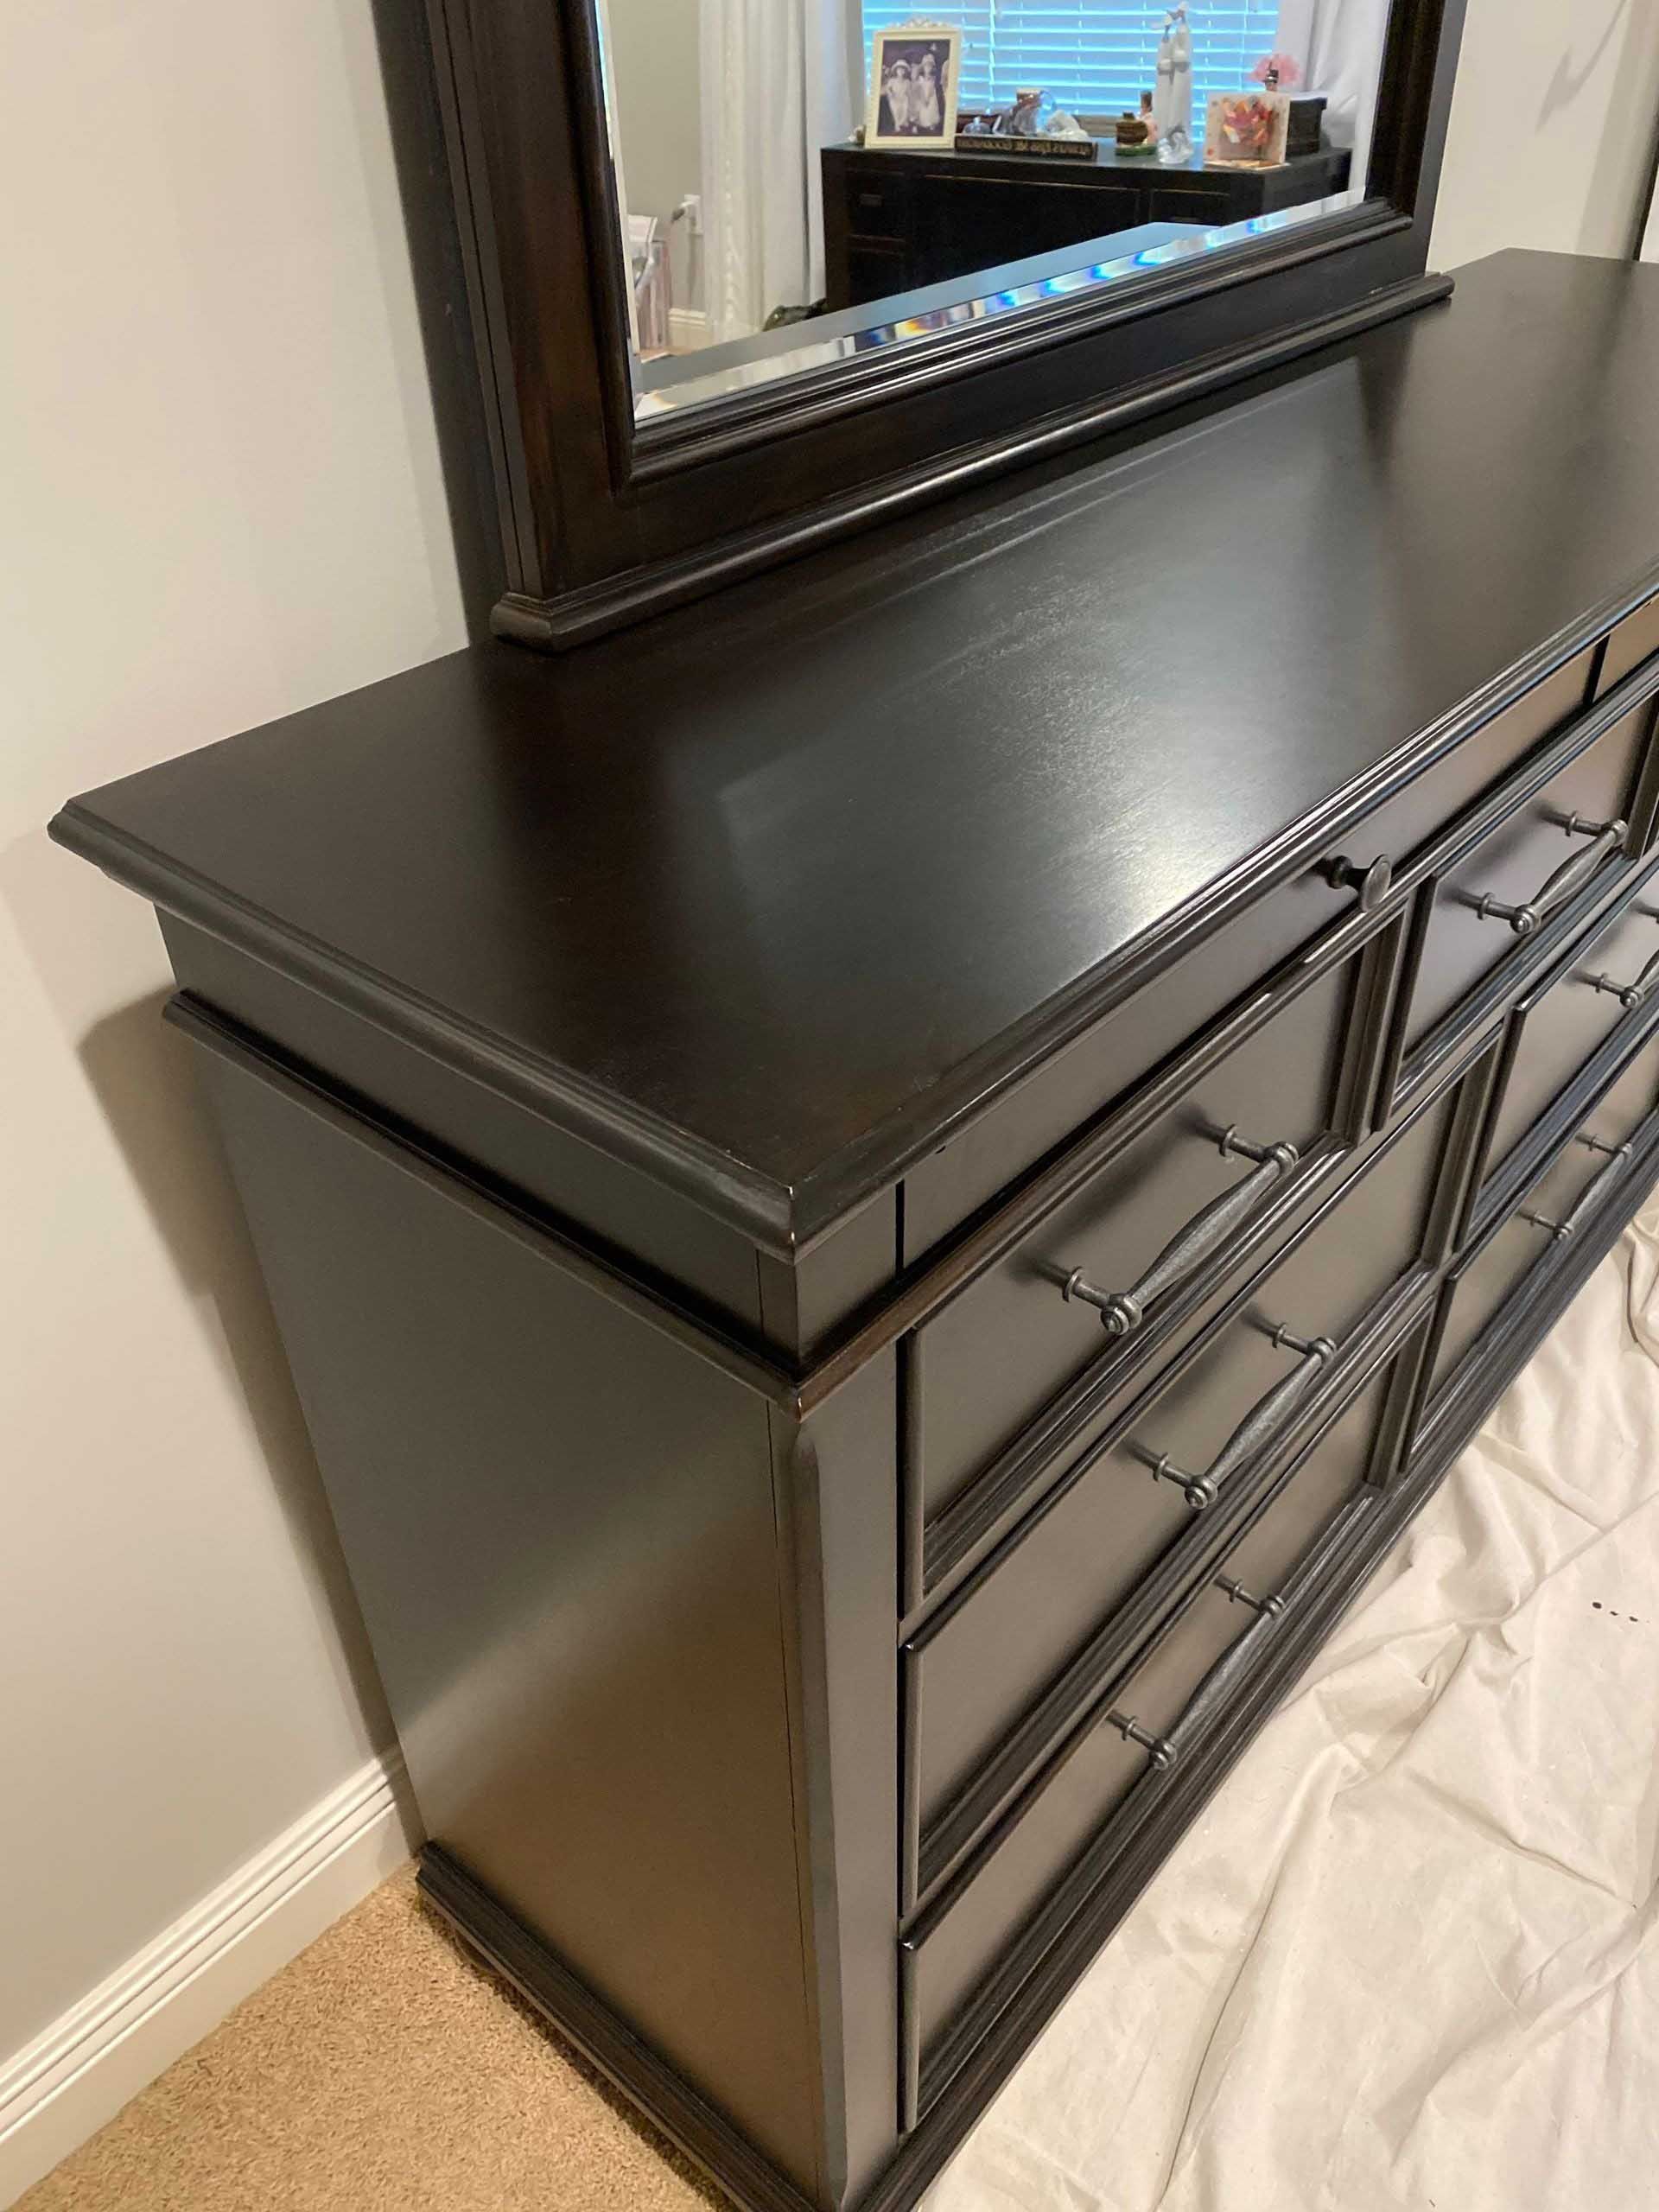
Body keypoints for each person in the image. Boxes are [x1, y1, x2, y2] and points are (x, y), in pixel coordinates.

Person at [911, 48, 944, 134]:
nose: (928, 68)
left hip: (930, 95)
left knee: (932, 103)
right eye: (926, 66)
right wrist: (923, 99)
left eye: (930, 66)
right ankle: (916, 124)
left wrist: (929, 98)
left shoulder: (933, 79)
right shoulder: (920, 79)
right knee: (919, 106)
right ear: (923, 68)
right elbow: (919, 90)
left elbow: (933, 89)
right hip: (922, 95)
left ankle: (931, 122)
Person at [879, 54, 912, 136]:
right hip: (895, 98)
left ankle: (903, 121)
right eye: (899, 70)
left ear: (905, 72)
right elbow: (888, 88)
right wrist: (891, 93)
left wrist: (907, 96)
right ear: (896, 71)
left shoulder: (907, 82)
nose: (901, 72)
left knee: (906, 106)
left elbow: (909, 92)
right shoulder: (892, 80)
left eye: (903, 70)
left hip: (903, 98)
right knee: (895, 108)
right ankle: (897, 123)